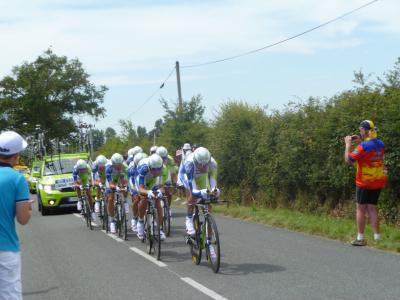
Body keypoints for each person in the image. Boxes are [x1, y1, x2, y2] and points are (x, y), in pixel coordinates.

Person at [0, 131, 32, 300]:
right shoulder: (17, 179)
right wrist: (27, 208)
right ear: (16, 156)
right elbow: (23, 219)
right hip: (5, 248)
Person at [344, 120, 387, 246]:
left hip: (364, 182)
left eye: (361, 129)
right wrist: (360, 141)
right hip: (377, 181)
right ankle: (377, 238)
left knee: (361, 209)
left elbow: (348, 160)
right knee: (372, 208)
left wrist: (348, 144)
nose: (359, 131)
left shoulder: (363, 147)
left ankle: (360, 238)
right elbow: (369, 150)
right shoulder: (380, 144)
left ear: (365, 130)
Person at [135, 154, 166, 240]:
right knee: (144, 199)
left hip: (153, 181)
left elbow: (161, 186)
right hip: (143, 180)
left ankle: (159, 229)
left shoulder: (162, 168)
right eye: (153, 169)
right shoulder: (143, 169)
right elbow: (141, 189)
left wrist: (159, 191)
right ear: (149, 167)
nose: (156, 172)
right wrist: (148, 192)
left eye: (158, 169)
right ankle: (140, 222)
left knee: (158, 201)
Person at [105, 153, 129, 234]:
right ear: (113, 164)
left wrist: (125, 185)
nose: (119, 166)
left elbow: (126, 179)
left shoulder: (124, 167)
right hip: (111, 181)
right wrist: (115, 187)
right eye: (116, 165)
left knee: (125, 188)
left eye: (120, 164)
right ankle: (111, 220)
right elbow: (110, 183)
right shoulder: (108, 168)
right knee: (111, 198)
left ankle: (124, 202)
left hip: (119, 178)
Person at [127, 152, 148, 232]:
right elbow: (132, 181)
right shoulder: (132, 168)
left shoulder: (146, 166)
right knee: (136, 198)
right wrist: (136, 191)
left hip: (145, 181)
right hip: (134, 183)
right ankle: (135, 218)